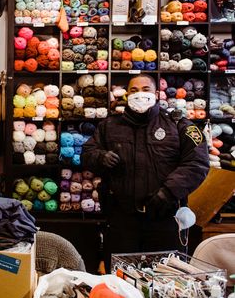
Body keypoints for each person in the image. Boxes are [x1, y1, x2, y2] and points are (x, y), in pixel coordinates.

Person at [82, 75, 209, 263]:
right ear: (126, 95)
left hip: (165, 219)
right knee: (120, 280)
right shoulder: (109, 126)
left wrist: (168, 192)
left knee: (165, 279)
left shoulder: (178, 125)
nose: (140, 94)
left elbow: (197, 163)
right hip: (122, 220)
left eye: (146, 89)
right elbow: (86, 154)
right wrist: (100, 157)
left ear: (157, 94)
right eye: (133, 91)